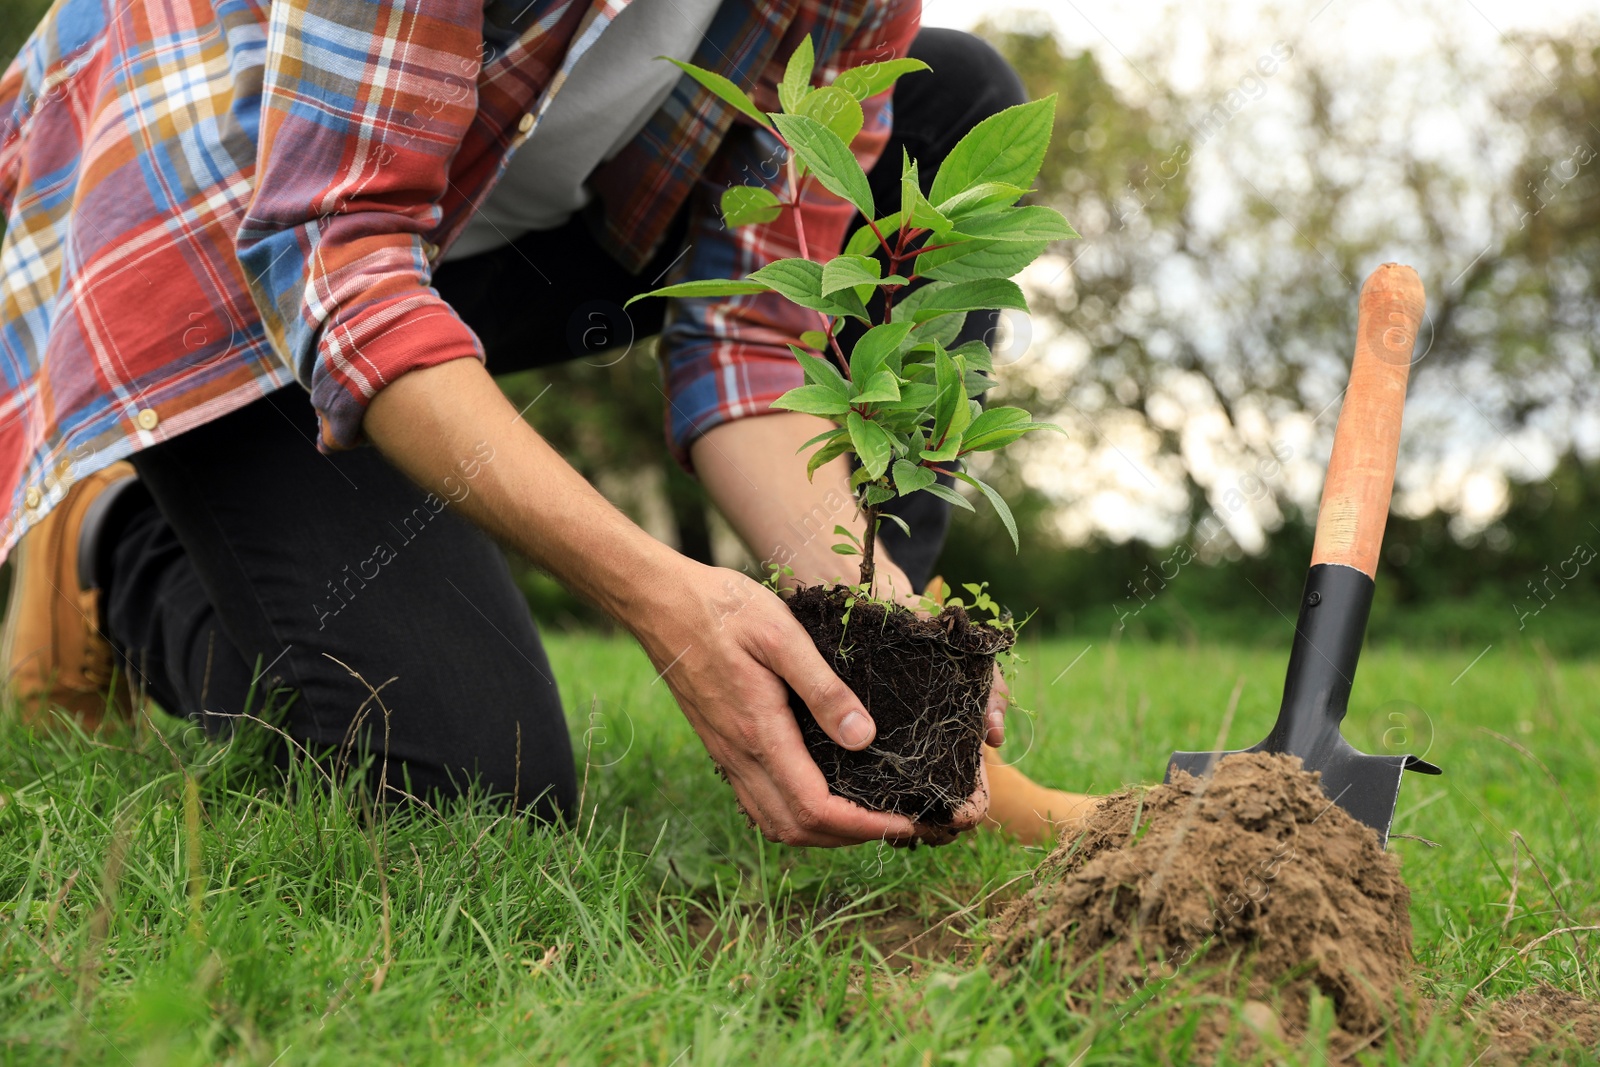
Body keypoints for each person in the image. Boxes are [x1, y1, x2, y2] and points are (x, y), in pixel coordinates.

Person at [0, 0, 1093, 846]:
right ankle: (117, 546)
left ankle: (882, 729)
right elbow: (341, 259)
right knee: (465, 782)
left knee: (949, 101)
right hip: (220, 248)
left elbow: (753, 332)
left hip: (470, 237)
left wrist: (875, 622)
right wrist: (665, 600)